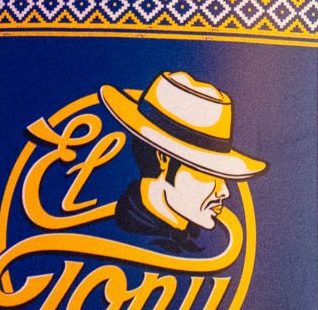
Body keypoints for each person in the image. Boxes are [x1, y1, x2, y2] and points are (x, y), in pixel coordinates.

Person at [100, 70, 265, 255]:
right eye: (207, 173)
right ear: (163, 159)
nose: (224, 192)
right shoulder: (107, 235)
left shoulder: (210, 243)